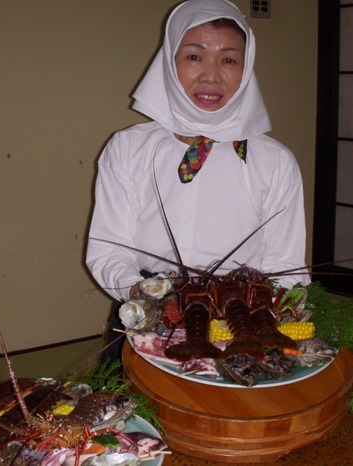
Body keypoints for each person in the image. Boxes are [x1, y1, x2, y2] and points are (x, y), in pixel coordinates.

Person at [86, 0, 309, 365]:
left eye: (229, 59)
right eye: (194, 57)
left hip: (243, 311)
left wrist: (273, 316)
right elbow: (108, 248)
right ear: (169, 62)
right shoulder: (127, 147)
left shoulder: (275, 161)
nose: (211, 76)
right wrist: (147, 297)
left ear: (246, 67)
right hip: (151, 299)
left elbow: (287, 267)